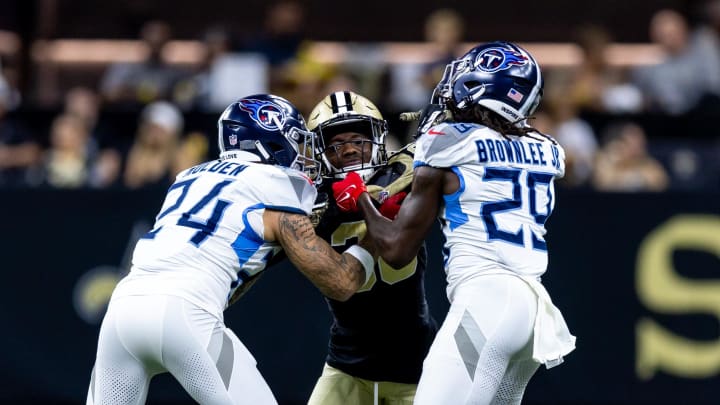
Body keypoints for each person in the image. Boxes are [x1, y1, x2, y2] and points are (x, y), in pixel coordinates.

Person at [86, 94, 377, 405]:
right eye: (295, 140)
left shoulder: (188, 177)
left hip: (122, 313)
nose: (303, 153)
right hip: (186, 316)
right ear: (272, 141)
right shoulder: (279, 183)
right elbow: (341, 282)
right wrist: (374, 237)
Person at [330, 42, 576, 404]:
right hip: (530, 308)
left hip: (487, 300)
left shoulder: (446, 141)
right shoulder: (549, 149)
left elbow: (397, 250)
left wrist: (362, 198)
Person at [305, 91, 438, 405]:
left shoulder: (405, 179)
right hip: (346, 366)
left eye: (358, 139)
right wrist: (333, 212)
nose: (349, 149)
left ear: (377, 139)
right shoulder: (308, 202)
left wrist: (367, 197)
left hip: (417, 368)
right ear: (321, 151)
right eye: (337, 144)